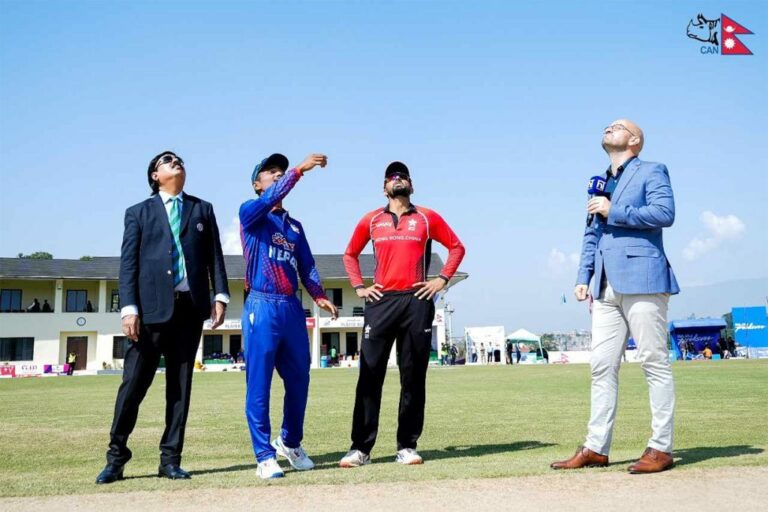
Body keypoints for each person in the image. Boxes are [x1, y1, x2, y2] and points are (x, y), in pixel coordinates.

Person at [551, 120, 679, 474]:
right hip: (605, 286)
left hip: (644, 278)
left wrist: (614, 211)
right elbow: (591, 234)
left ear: (634, 140)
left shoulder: (652, 170)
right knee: (601, 366)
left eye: (618, 126)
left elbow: (665, 213)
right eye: (607, 126)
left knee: (653, 362)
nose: (609, 128)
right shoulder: (600, 182)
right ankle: (596, 447)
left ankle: (661, 447)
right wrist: (584, 276)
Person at [96, 151, 230, 485]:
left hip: (189, 310)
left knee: (180, 388)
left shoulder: (202, 209)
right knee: (133, 386)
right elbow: (128, 264)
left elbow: (215, 255)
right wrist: (129, 308)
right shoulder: (138, 213)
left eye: (179, 159)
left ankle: (170, 460)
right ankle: (116, 458)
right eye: (168, 160)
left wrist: (220, 295)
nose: (176, 162)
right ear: (155, 175)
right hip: (150, 313)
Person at [339, 161, 465, 468]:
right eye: (392, 177)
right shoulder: (371, 219)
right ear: (384, 188)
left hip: (416, 300)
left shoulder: (426, 217)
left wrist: (441, 280)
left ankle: (407, 446)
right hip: (381, 301)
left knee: (413, 377)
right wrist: (359, 287)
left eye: (403, 176)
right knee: (370, 376)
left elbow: (457, 247)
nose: (398, 179)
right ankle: (360, 449)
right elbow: (349, 254)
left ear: (412, 185)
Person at [240, 153, 338, 479]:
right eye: (271, 172)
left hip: (291, 307)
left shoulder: (295, 227)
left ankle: (289, 442)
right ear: (258, 184)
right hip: (261, 304)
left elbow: (307, 266)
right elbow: (272, 197)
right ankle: (264, 455)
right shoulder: (251, 213)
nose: (278, 174)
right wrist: (298, 171)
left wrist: (319, 295)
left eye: (281, 171)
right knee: (259, 383)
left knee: (299, 380)